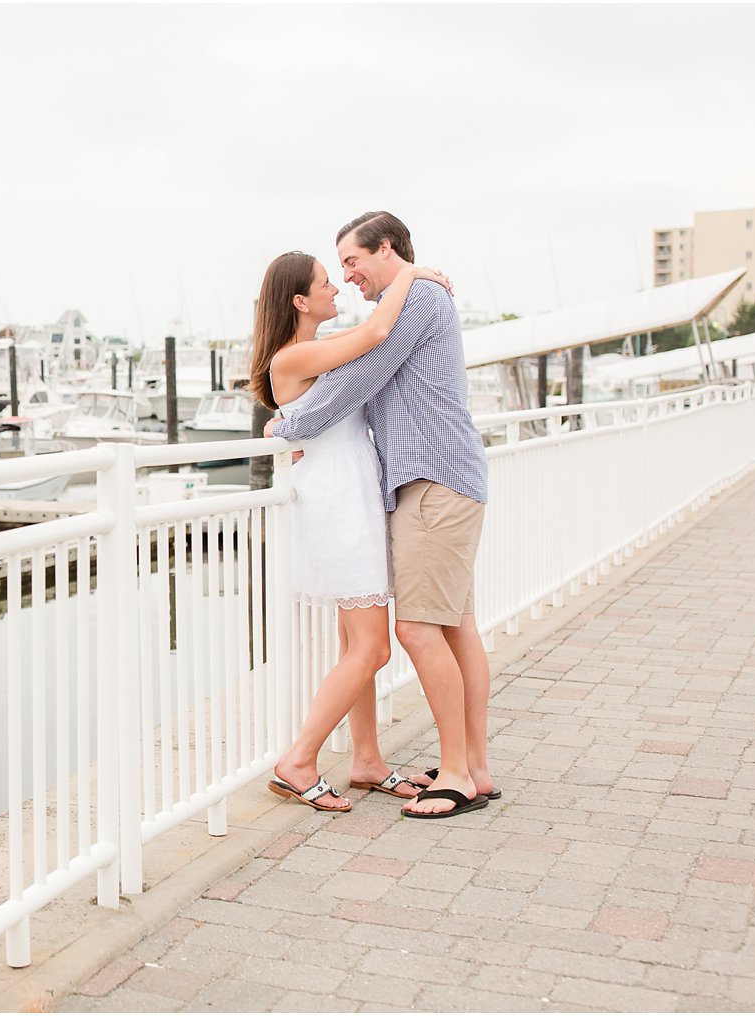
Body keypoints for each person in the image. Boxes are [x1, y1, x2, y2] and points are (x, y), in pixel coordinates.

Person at [268, 211, 493, 819]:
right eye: (333, 271)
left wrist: (291, 425)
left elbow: (357, 380)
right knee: (446, 626)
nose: (345, 278)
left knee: (418, 630)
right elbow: (356, 383)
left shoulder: (415, 296)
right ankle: (463, 766)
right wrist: (295, 425)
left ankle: (458, 773)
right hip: (409, 485)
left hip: (431, 480)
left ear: (385, 248)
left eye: (350, 261)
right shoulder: (405, 296)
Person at [249, 252, 452, 813]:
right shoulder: (296, 355)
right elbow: (379, 330)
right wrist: (410, 272)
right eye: (323, 283)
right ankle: (297, 761)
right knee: (372, 647)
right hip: (337, 501)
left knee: (353, 643)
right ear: (299, 301)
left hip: (349, 493)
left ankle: (367, 759)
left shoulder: (311, 353)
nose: (335, 288)